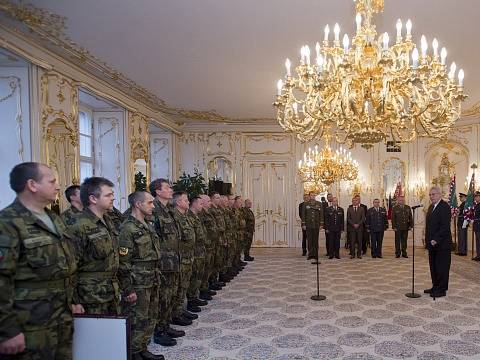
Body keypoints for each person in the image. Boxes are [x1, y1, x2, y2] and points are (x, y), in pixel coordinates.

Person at [0, 162, 77, 359]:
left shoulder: (54, 219)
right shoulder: (8, 223)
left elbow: (65, 266)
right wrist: (7, 330)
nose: (58, 186)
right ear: (32, 185)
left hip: (61, 319)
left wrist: (73, 300)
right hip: (29, 325)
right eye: (52, 181)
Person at [118, 191, 163, 360]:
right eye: (150, 203)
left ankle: (142, 347)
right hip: (138, 281)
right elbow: (123, 263)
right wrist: (128, 288)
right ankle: (134, 352)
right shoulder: (127, 228)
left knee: (150, 315)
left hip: (152, 277)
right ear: (138, 204)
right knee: (137, 318)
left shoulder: (147, 223)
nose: (153, 206)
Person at [68, 177, 120, 315]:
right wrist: (74, 300)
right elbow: (70, 267)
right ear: (93, 199)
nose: (113, 198)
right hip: (90, 296)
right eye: (108, 195)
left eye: (112, 194)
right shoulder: (78, 225)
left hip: (110, 291)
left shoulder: (108, 221)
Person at [149, 179, 184, 346]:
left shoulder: (168, 209)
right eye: (167, 187)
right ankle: (159, 331)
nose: (171, 190)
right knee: (163, 297)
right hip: (163, 263)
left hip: (173, 261)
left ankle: (166, 324)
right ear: (157, 191)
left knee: (171, 295)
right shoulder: (152, 210)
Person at [171, 192, 199, 317]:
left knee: (184, 285)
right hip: (180, 258)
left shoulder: (185, 216)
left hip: (188, 256)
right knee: (179, 287)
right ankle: (177, 313)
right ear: (178, 202)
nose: (188, 202)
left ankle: (181, 310)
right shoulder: (174, 217)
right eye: (186, 200)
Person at [424, 186, 452, 298]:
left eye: (433, 194)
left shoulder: (445, 207)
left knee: (442, 267)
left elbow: (445, 226)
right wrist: (428, 240)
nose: (431, 196)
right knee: (433, 266)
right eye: (430, 195)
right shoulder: (431, 207)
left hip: (442, 243)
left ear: (440, 194)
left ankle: (442, 289)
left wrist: (436, 239)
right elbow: (429, 225)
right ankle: (435, 286)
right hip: (432, 244)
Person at [301, 192, 324, 261]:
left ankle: (316, 255)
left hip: (316, 225)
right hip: (308, 225)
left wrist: (321, 224)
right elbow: (303, 215)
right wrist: (303, 224)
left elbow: (321, 214)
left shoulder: (319, 204)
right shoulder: (305, 204)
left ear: (315, 196)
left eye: (314, 195)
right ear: (309, 196)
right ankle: (310, 255)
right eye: (311, 195)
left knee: (315, 240)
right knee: (310, 240)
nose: (313, 196)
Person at [473, 192, 480, 261]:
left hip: (479, 224)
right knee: (477, 241)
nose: (475, 198)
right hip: (476, 225)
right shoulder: (476, 205)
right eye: (475, 197)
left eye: (477, 196)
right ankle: (478, 255)